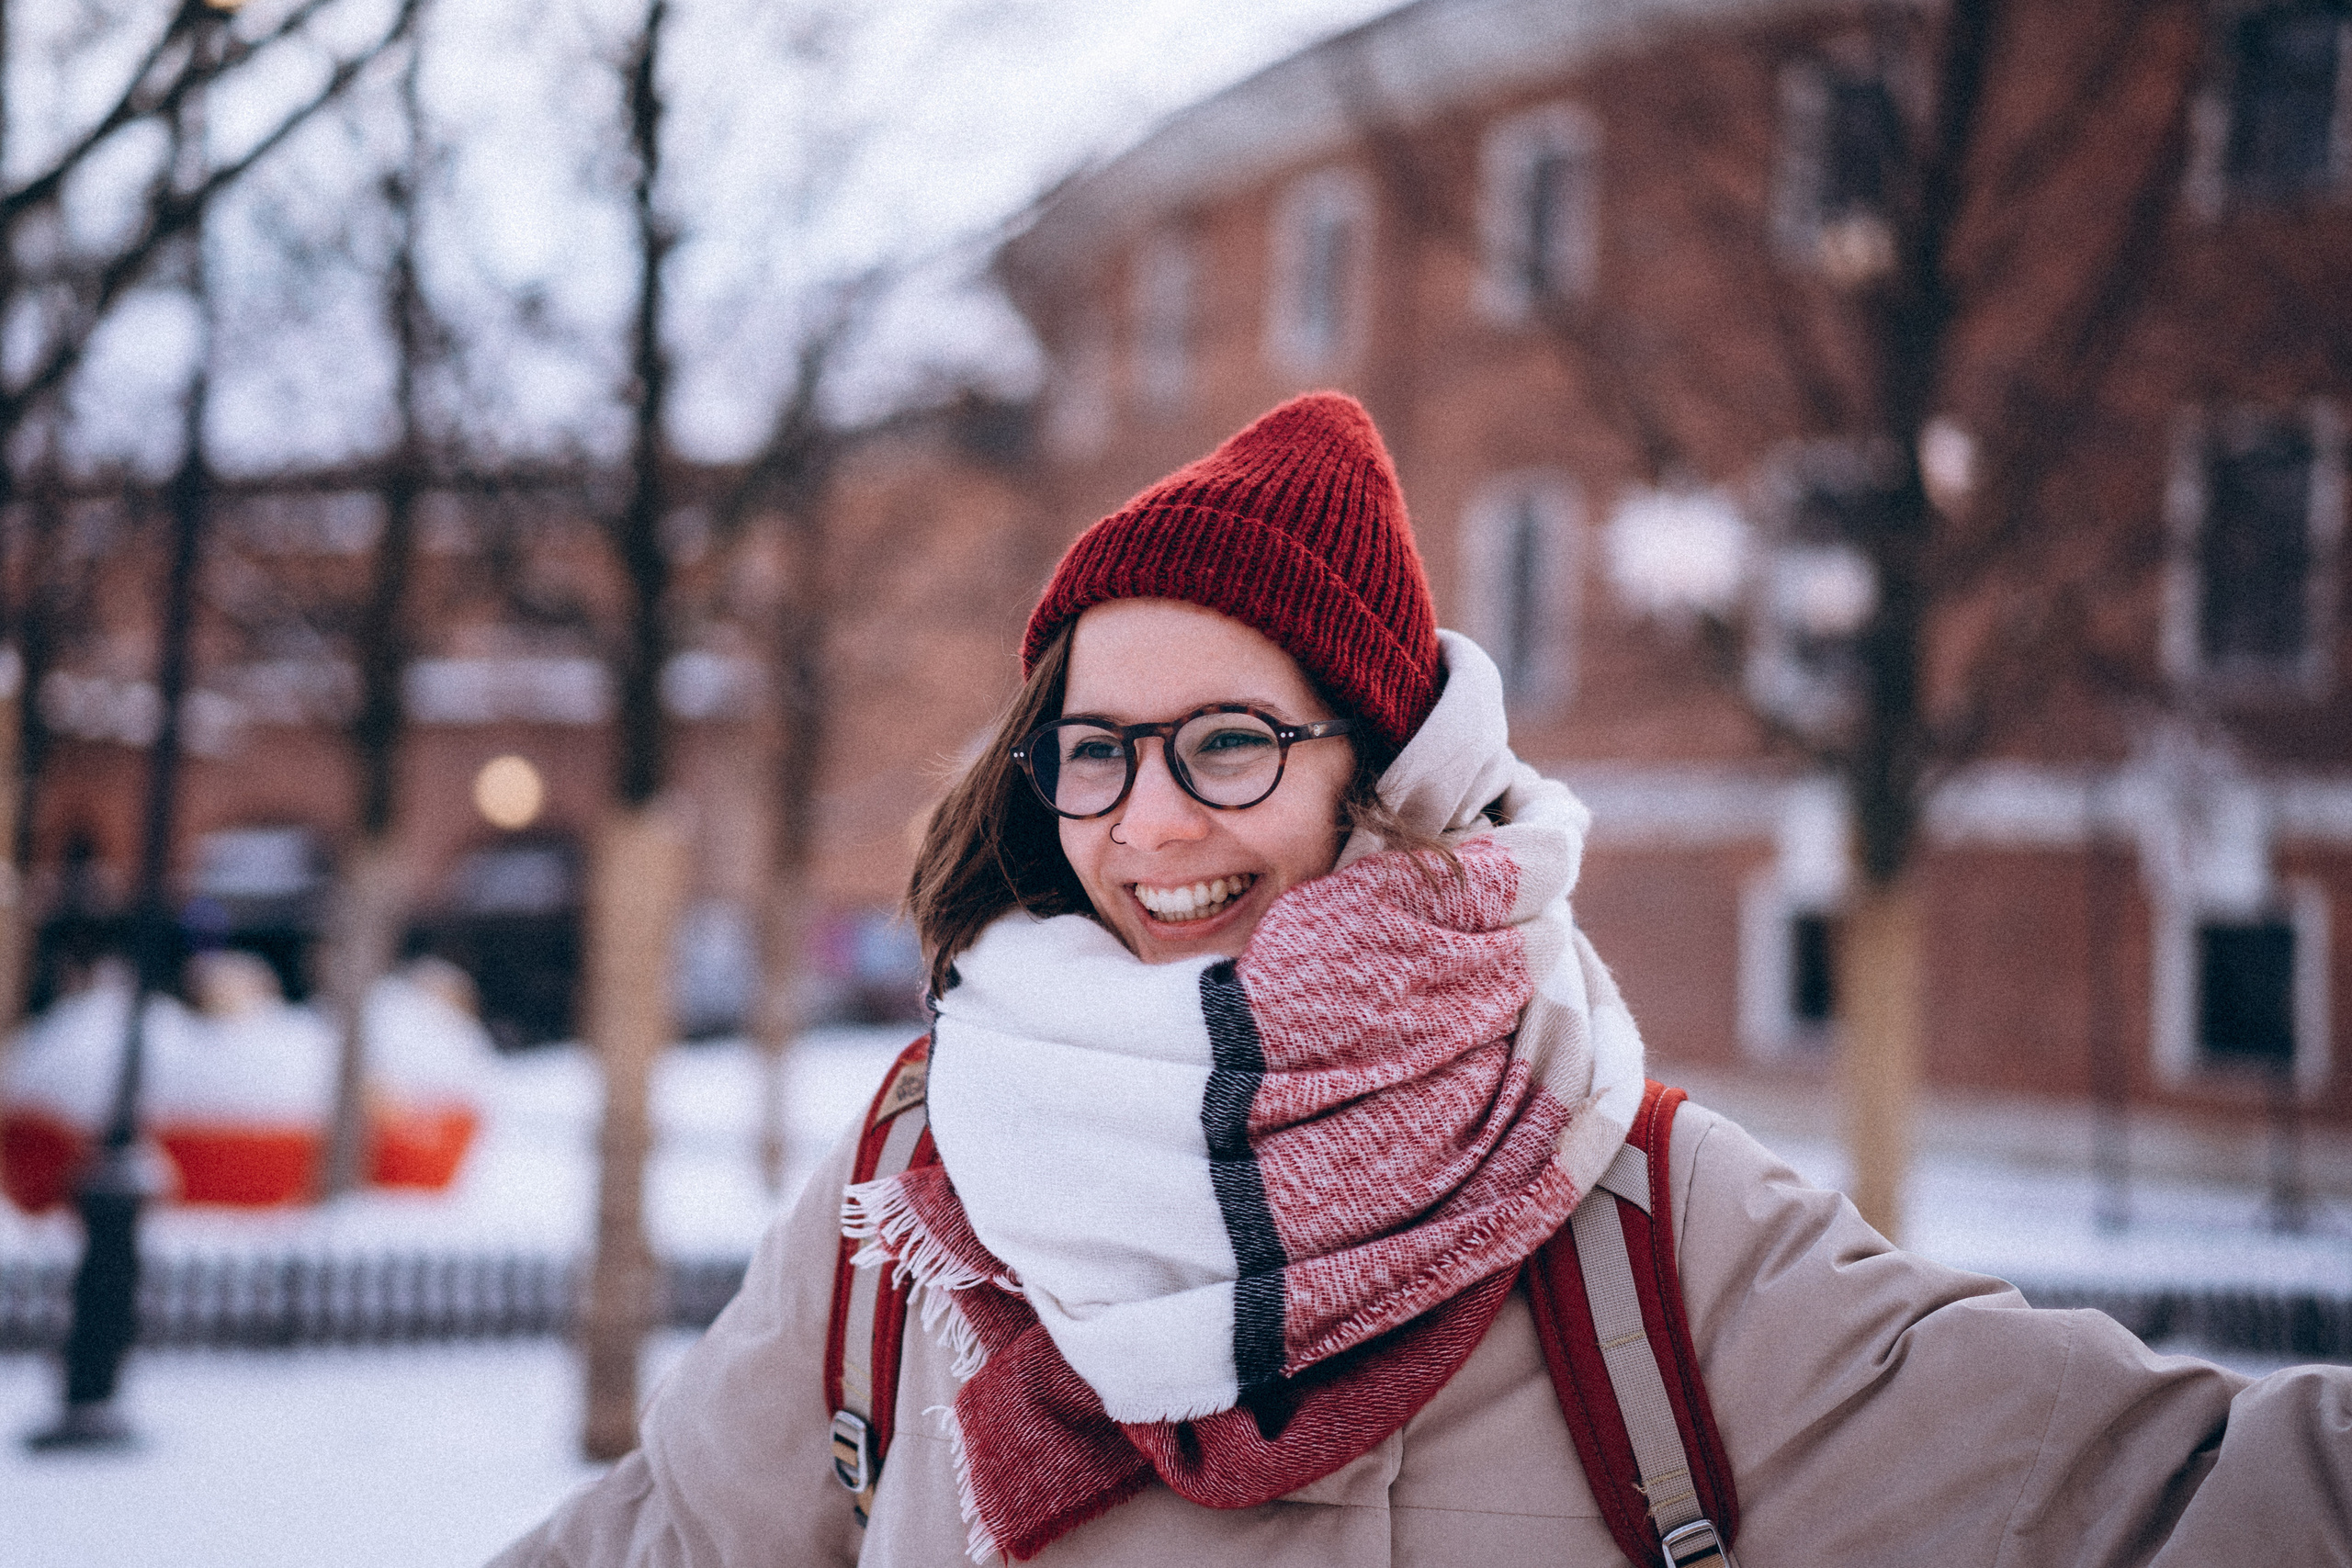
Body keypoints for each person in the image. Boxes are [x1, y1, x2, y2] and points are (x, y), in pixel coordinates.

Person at [493, 393, 2352, 1567]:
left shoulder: (1628, 1213)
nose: (1146, 823)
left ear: (1377, 765)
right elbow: (672, 1533)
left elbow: (2155, 1497)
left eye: (1226, 743)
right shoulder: (925, 1168)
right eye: (1092, 746)